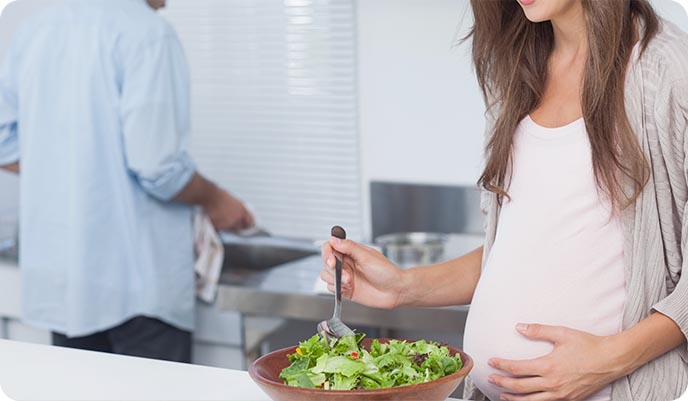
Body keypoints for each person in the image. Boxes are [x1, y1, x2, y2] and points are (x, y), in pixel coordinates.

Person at [320, 0, 688, 400]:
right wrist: (405, 287)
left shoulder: (665, 69)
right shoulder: (516, 69)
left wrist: (609, 359)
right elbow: (518, 250)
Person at [0, 0, 253, 362]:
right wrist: (215, 200)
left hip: (65, 283)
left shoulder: (36, 29)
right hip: (137, 290)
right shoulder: (148, 32)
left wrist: (68, 167)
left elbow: (4, 144)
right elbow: (158, 167)